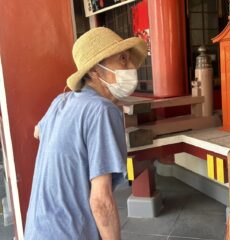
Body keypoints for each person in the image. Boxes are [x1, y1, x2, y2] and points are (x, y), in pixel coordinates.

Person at [24, 27, 147, 240]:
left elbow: (38, 132)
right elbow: (100, 200)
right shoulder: (102, 110)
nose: (129, 67)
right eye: (123, 59)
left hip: (37, 229)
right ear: (94, 71)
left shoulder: (60, 101)